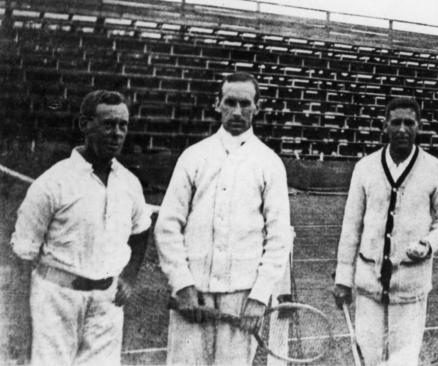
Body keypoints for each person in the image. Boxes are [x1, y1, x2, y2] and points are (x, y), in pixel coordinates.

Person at [154, 72, 293, 366]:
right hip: (194, 294)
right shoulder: (193, 157)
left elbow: (279, 238)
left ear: (258, 107)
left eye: (245, 103)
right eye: (230, 102)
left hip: (242, 300)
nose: (238, 112)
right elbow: (167, 226)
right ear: (218, 104)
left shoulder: (269, 163)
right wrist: (182, 285)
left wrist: (258, 297)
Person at [10, 90, 151, 365]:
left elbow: (141, 230)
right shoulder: (53, 182)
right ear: (84, 124)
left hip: (106, 302)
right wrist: (20, 317)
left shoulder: (130, 183)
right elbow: (23, 251)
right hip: (57, 298)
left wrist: (129, 278)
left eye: (123, 125)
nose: (117, 133)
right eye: (108, 124)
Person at [332, 97, 438, 366]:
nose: (402, 129)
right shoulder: (364, 168)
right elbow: (351, 227)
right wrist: (343, 278)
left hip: (411, 287)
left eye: (409, 123)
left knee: (403, 361)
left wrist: (429, 243)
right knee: (369, 359)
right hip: (369, 286)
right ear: (385, 125)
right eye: (396, 122)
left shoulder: (436, 169)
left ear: (419, 126)